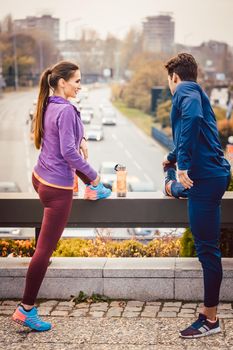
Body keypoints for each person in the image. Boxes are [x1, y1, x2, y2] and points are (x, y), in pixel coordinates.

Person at [12, 61, 111, 332]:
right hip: (57, 189)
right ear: (62, 82)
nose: (80, 85)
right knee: (44, 250)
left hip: (40, 177)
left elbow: (60, 143)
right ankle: (26, 309)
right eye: (77, 81)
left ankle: (92, 188)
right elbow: (68, 153)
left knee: (44, 246)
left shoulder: (50, 104)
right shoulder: (65, 110)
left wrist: (82, 140)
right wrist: (95, 175)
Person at [163, 53, 231, 339]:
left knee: (207, 250)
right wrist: (172, 157)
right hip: (211, 175)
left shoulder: (184, 91)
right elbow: (196, 132)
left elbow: (190, 119)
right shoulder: (197, 90)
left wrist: (184, 163)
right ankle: (171, 186)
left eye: (169, 81)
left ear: (174, 77)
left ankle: (211, 319)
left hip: (205, 178)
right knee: (179, 188)